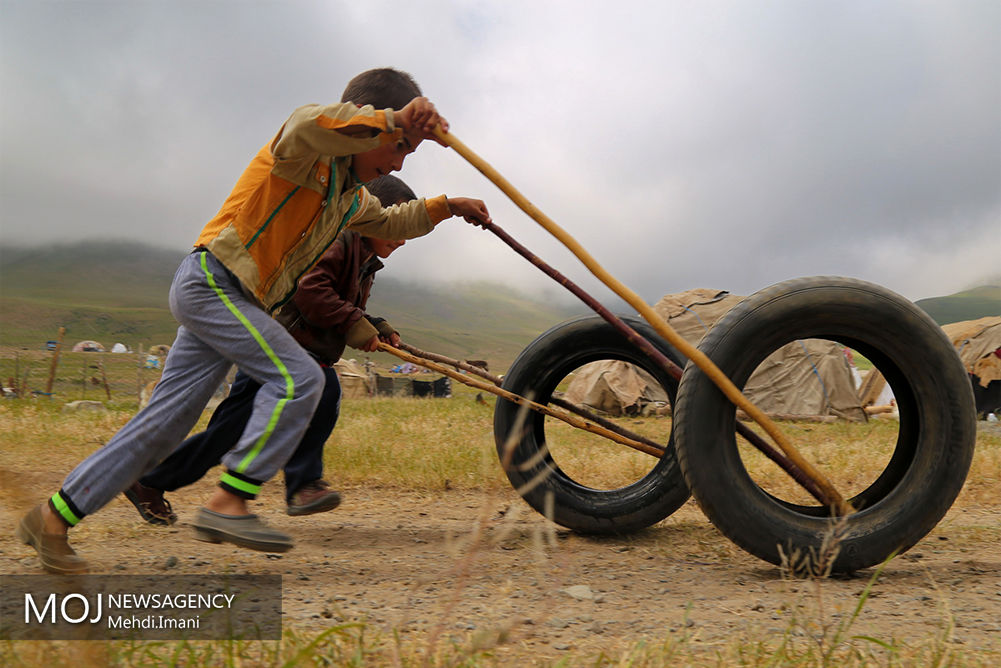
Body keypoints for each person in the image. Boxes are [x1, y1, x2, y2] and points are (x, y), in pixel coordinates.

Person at [16, 67, 492, 573]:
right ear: (364, 124)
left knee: (163, 427)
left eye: (405, 153)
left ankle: (52, 517)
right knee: (299, 378)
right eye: (397, 148)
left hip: (232, 302)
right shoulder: (303, 152)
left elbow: (394, 219)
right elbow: (305, 122)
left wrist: (448, 206)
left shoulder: (349, 199)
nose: (397, 160)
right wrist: (394, 119)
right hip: (213, 283)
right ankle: (230, 500)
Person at [125, 175, 417, 524]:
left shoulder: (365, 258)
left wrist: (377, 326)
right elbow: (310, 290)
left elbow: (337, 302)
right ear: (372, 216)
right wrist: (355, 324)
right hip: (279, 348)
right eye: (397, 227)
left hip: (296, 353)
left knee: (225, 435)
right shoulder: (338, 240)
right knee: (323, 389)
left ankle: (148, 482)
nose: (402, 239)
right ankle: (303, 485)